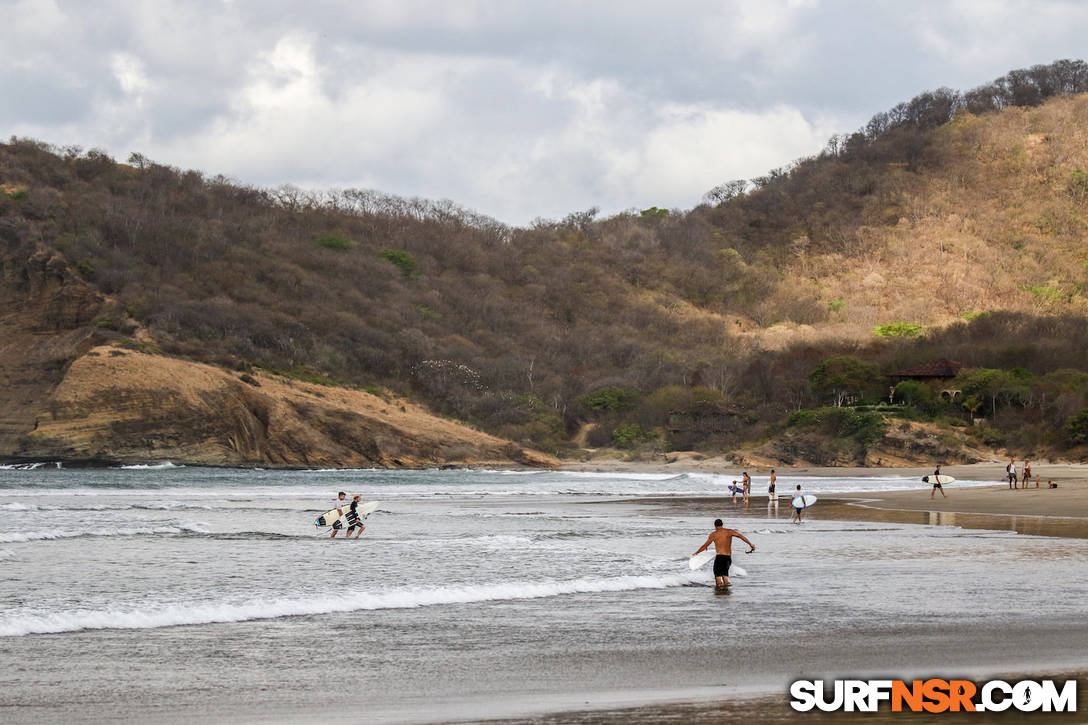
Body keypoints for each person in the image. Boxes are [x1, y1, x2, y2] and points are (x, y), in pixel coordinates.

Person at [693, 518, 755, 588]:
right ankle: (727, 593)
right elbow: (741, 536)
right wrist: (750, 544)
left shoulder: (713, 534)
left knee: (718, 577)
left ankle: (720, 595)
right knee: (725, 576)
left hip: (720, 557)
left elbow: (705, 545)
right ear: (722, 524)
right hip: (728, 558)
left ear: (715, 526)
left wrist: (697, 553)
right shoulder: (729, 531)